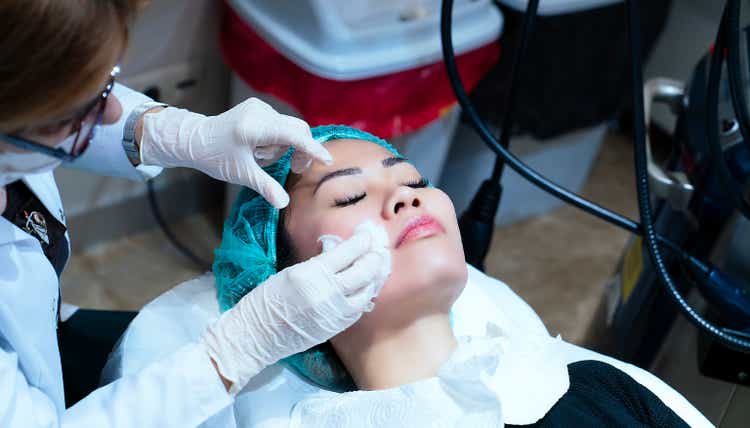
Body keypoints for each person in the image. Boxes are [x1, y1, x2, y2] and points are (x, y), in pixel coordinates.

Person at [105, 125, 711, 427]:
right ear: (283, 282)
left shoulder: (598, 387)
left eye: (415, 181)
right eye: (349, 199)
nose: (406, 198)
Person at [0, 2, 390, 426]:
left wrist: (170, 135)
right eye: (350, 196)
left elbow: (51, 108)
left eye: (415, 183)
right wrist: (236, 350)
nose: (113, 112)